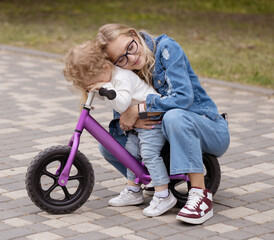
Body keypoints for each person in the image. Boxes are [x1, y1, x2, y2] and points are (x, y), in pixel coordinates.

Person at [94, 23, 230, 225]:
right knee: (109, 145)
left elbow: (183, 99)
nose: (131, 59)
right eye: (121, 59)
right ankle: (155, 186)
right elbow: (125, 118)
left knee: (174, 116)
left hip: (207, 128)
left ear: (134, 34)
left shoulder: (167, 48)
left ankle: (200, 195)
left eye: (130, 48)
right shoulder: (124, 73)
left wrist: (139, 109)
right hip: (166, 137)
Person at [63, 40, 177, 217]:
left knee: (148, 153)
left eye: (96, 82)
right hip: (139, 122)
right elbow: (109, 95)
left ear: (105, 67)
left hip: (153, 118)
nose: (97, 85)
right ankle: (133, 191)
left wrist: (105, 87)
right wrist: (96, 90)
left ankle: (164, 195)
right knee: (129, 155)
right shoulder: (109, 76)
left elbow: (121, 101)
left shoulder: (122, 77)